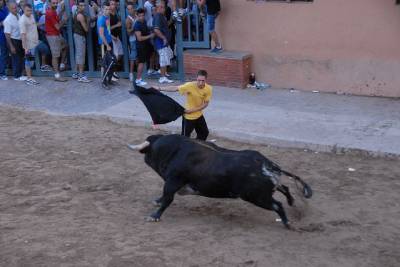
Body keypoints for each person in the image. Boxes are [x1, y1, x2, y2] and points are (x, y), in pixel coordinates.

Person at [159, 69, 212, 141]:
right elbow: (175, 88)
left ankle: (197, 147)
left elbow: (206, 104)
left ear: (206, 80)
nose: (200, 83)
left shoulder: (208, 88)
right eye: (199, 80)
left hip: (199, 115)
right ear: (196, 78)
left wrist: (192, 110)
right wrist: (159, 88)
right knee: (184, 138)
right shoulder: (189, 86)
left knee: (204, 133)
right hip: (188, 117)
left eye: (203, 81)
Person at [45, 0, 68, 81]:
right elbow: (58, 26)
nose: (55, 4)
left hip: (57, 35)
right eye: (53, 3)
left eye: (56, 3)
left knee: (65, 46)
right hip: (52, 36)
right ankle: (57, 76)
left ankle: (62, 65)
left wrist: (61, 11)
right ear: (50, 3)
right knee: (55, 56)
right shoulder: (50, 12)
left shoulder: (53, 10)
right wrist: (64, 20)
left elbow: (56, 18)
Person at [4, 1, 26, 81]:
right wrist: (11, 46)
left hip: (19, 39)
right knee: (16, 58)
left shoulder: (18, 14)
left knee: (20, 57)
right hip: (13, 41)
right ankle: (17, 76)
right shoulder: (7, 20)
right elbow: (7, 34)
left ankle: (21, 74)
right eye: (13, 8)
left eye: (16, 7)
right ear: (9, 9)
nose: (15, 9)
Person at [153, 0, 173, 84]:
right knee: (163, 59)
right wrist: (164, 38)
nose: (164, 9)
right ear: (160, 7)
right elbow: (156, 30)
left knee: (167, 57)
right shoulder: (158, 16)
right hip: (161, 43)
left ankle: (163, 73)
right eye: (164, 7)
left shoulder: (160, 16)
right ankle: (162, 77)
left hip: (164, 43)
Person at [19, 3, 39, 85]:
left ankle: (29, 77)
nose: (30, 12)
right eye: (28, 10)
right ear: (23, 10)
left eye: (30, 10)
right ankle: (29, 78)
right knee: (28, 61)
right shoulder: (22, 20)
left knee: (30, 61)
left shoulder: (31, 16)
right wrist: (25, 48)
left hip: (34, 43)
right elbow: (23, 35)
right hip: (28, 45)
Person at [133, 7, 154, 86]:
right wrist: (150, 36)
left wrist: (151, 29)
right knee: (141, 63)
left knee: (151, 54)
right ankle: (138, 79)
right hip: (141, 46)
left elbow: (145, 30)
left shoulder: (144, 21)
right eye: (140, 16)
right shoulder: (137, 25)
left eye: (143, 15)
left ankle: (150, 70)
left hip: (146, 45)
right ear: (137, 16)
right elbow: (139, 38)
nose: (142, 17)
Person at [97, 1, 116, 88]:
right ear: (102, 9)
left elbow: (108, 31)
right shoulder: (101, 19)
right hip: (104, 45)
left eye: (108, 9)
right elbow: (101, 34)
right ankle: (104, 82)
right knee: (106, 64)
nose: (107, 10)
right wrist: (107, 45)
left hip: (109, 42)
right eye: (105, 9)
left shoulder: (107, 17)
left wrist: (112, 37)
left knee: (112, 62)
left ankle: (109, 80)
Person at [72, 0, 91, 82]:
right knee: (81, 55)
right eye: (81, 5)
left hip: (77, 35)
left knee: (78, 55)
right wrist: (88, 20)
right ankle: (81, 76)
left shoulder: (77, 13)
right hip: (80, 36)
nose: (83, 7)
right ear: (78, 6)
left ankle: (76, 73)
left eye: (84, 5)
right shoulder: (80, 15)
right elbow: (86, 29)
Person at [125, 1, 136, 82]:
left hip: (139, 39)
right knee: (133, 57)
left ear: (134, 8)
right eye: (128, 9)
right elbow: (128, 33)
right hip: (133, 40)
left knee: (139, 57)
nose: (130, 10)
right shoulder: (128, 20)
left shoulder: (137, 15)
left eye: (131, 9)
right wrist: (134, 27)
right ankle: (131, 73)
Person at [0, 0, 9, 80]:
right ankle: (2, 73)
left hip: (10, 35)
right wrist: (2, 23)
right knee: (4, 54)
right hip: (2, 36)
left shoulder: (7, 8)